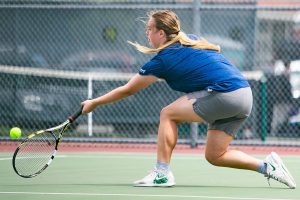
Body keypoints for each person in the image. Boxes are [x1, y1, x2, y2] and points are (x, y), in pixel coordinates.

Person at [81, 10, 296, 188]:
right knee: (215, 155)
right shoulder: (191, 40)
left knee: (168, 114)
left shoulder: (161, 61)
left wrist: (94, 103)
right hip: (244, 96)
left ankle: (162, 173)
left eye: (150, 29)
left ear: (162, 34)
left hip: (226, 94)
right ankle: (268, 166)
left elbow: (128, 90)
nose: (147, 34)